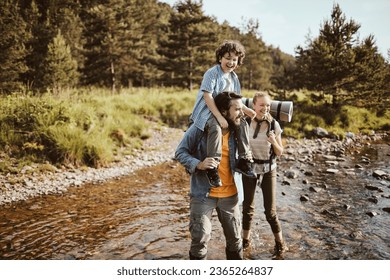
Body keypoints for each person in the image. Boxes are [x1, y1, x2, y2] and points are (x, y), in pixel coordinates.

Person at [175, 91, 245, 260]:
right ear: (223, 111)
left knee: (235, 241)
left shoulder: (240, 130)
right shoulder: (199, 128)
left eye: (241, 109)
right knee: (200, 240)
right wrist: (198, 164)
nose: (241, 113)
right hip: (203, 194)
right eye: (237, 109)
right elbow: (180, 152)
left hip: (231, 196)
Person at [189, 40, 256, 188]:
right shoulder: (212, 73)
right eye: (227, 58)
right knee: (216, 126)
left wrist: (246, 110)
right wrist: (219, 117)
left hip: (226, 110)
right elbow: (208, 96)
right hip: (207, 110)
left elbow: (236, 101)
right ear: (220, 58)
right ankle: (213, 166)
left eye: (234, 59)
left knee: (242, 122)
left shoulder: (234, 78)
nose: (231, 62)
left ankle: (243, 160)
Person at [241, 91, 288, 260]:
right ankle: (245, 241)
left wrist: (274, 141)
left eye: (268, 105)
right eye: (262, 105)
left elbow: (280, 152)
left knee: (270, 212)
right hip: (250, 170)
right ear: (254, 105)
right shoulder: (245, 122)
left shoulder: (274, 125)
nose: (265, 108)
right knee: (248, 209)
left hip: (269, 170)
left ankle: (280, 243)